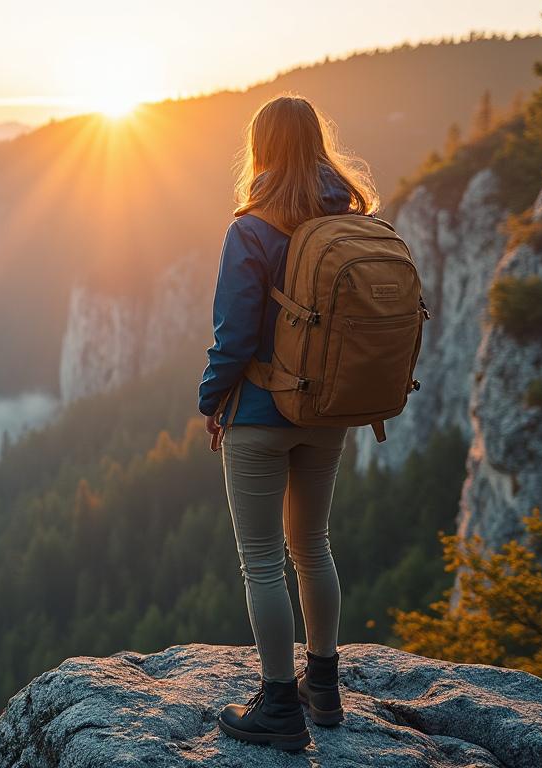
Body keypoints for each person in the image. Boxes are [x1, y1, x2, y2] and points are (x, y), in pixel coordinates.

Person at [197, 93, 379, 751]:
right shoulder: (350, 218)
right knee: (314, 544)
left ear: (262, 148)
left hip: (261, 415)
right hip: (328, 412)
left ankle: (278, 705)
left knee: (262, 563)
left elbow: (235, 335)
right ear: (317, 145)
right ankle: (323, 687)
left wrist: (210, 402)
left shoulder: (251, 228)